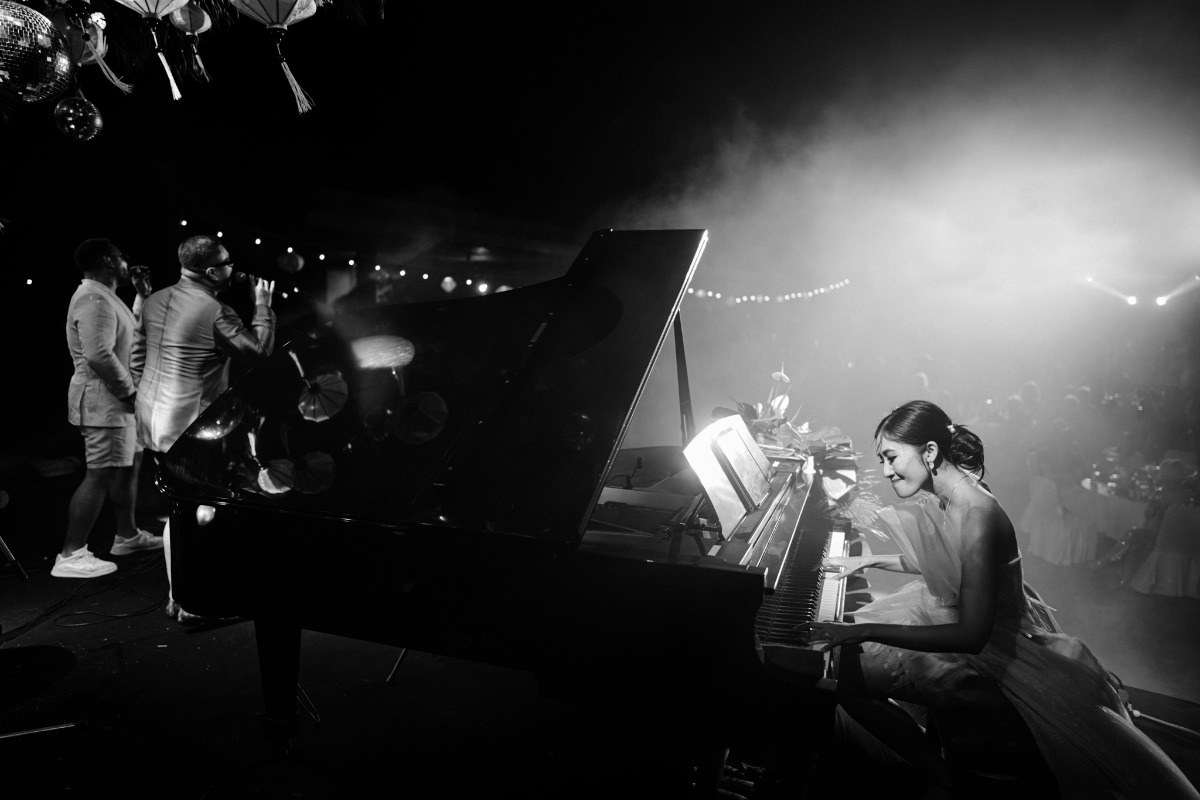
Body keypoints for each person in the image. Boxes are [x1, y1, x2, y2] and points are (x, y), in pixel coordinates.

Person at [798, 400, 1199, 799]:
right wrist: (869, 559)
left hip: (989, 649)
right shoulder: (953, 493)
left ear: (931, 452)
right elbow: (949, 562)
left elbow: (972, 635)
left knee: (848, 679)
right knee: (852, 661)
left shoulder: (977, 513)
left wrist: (864, 628)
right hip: (962, 622)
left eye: (891, 457)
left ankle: (943, 777)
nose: (886, 471)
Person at [131, 234, 275, 621]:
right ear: (212, 271)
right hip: (191, 428)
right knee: (203, 509)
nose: (233, 267)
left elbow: (136, 356)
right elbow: (259, 355)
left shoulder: (155, 299)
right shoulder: (216, 311)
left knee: (178, 507)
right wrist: (263, 308)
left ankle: (179, 596)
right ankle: (195, 603)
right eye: (227, 262)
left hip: (152, 421)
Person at [55, 239, 164, 579]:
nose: (124, 262)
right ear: (107, 259)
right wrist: (132, 394)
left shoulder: (103, 296)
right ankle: (71, 555)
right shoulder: (92, 298)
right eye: (121, 257)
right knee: (100, 473)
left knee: (129, 465)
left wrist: (143, 294)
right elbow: (99, 354)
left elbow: (127, 335)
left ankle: (127, 536)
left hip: (116, 401)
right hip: (105, 401)